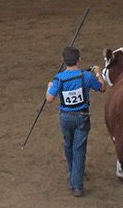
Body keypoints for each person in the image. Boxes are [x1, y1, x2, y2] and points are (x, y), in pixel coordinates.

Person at [45, 46, 105, 197]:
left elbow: (49, 99)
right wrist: (99, 74)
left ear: (63, 60)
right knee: (79, 148)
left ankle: (74, 173)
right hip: (82, 116)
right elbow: (102, 88)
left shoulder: (59, 78)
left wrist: (49, 87)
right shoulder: (86, 76)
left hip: (65, 117)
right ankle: (77, 184)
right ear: (79, 59)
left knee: (68, 144)